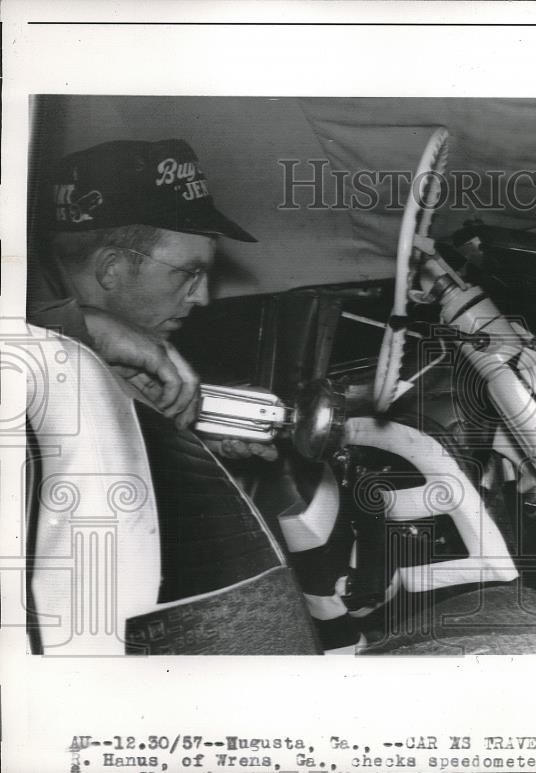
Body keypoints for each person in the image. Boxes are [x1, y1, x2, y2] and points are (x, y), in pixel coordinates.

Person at [26, 139, 318, 654]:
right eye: (189, 273)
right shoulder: (38, 345)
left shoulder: (127, 363)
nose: (202, 297)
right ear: (112, 268)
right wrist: (74, 325)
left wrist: (195, 444)